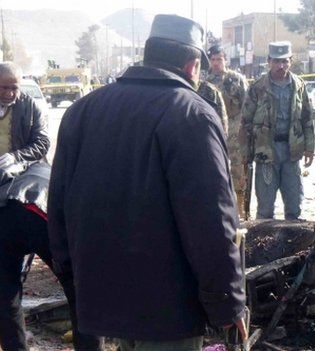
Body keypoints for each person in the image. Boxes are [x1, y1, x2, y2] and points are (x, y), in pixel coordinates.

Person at [48, 15, 246, 350]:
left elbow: (59, 209)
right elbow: (212, 223)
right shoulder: (191, 115)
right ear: (193, 64)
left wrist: (74, 282)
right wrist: (228, 304)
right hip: (169, 313)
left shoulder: (81, 112)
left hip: (105, 299)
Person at [0, 62, 102, 351]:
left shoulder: (29, 106)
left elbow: (42, 142)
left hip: (35, 200)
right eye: (4, 87)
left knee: (72, 284)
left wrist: (18, 158)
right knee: (8, 291)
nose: (10, 93)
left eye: (14, 87)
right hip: (18, 207)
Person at [241, 41, 315, 220]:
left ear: (291, 61)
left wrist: (310, 147)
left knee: (294, 205)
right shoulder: (258, 87)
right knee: (265, 208)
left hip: (291, 151)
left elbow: (307, 118)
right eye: (276, 61)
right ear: (268, 61)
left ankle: (293, 246)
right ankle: (264, 246)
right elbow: (246, 122)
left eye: (284, 61)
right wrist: (245, 154)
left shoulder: (299, 85)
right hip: (266, 151)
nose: (280, 66)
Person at [204, 45, 249, 218]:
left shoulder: (236, 80)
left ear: (225, 60)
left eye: (219, 59)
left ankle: (240, 212)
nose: (216, 63)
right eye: (213, 60)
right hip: (213, 133)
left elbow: (247, 106)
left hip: (235, 135)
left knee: (238, 174)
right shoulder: (205, 83)